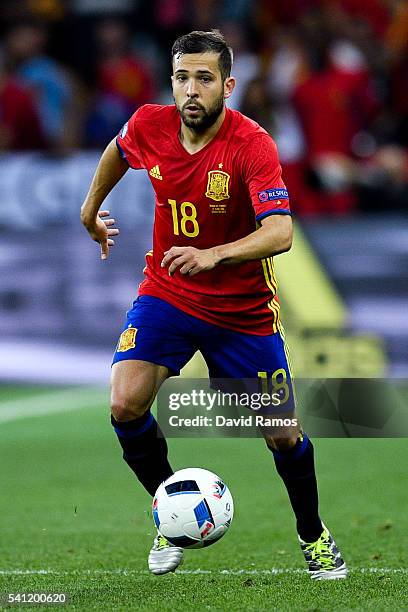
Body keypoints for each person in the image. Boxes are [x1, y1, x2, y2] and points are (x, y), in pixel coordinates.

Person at [81, 29, 347, 580]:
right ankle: (169, 512)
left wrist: (215, 255)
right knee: (125, 403)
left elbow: (280, 232)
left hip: (241, 314)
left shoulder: (252, 144)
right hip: (167, 293)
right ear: (171, 83)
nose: (191, 90)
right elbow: (117, 148)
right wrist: (90, 210)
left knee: (283, 433)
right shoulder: (151, 123)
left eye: (204, 78)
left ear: (227, 85)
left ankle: (314, 536)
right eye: (182, 77)